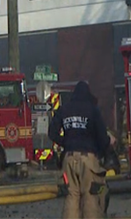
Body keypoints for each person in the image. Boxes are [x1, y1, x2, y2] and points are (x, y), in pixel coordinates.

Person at [50, 81, 111, 219]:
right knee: (90, 195)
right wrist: (102, 151)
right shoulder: (92, 110)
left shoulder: (64, 109)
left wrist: (65, 142)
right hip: (88, 158)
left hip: (69, 158)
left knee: (71, 196)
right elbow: (102, 136)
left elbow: (52, 133)